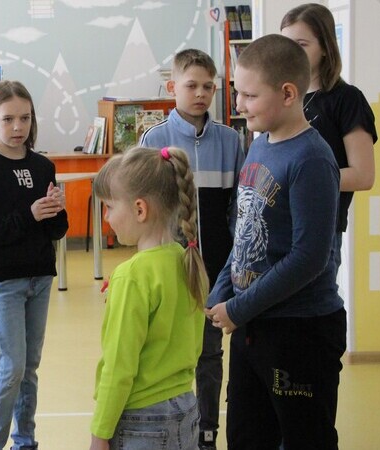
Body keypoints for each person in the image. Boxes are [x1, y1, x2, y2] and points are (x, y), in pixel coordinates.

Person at [205, 34, 344, 449]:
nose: (239, 105)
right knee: (247, 437)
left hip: (300, 331)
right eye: (238, 93)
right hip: (253, 325)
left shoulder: (311, 159)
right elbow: (244, 231)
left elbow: (309, 257)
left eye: (250, 95)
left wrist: (238, 308)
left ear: (287, 94)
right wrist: (221, 293)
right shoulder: (259, 143)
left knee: (305, 438)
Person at [140, 48, 245, 450]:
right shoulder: (155, 140)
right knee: (170, 351)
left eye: (208, 87)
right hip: (170, 269)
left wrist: (233, 264)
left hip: (217, 271)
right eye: (191, 85)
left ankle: (206, 432)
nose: (200, 94)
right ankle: (174, 429)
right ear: (173, 87)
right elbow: (146, 209)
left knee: (210, 354)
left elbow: (238, 208)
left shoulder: (231, 141)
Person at [0, 80, 69, 450]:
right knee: (12, 367)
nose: (17, 127)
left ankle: (26, 440)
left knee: (29, 367)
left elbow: (56, 230)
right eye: (8, 119)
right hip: (5, 280)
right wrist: (28, 215)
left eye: (25, 118)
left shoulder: (42, 166)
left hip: (40, 277)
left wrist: (56, 210)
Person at [89, 146, 208, 450]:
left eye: (109, 207)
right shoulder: (186, 261)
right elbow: (194, 346)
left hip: (142, 422)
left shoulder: (132, 276)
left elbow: (119, 367)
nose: (106, 217)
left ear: (140, 209)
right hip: (185, 408)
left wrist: (100, 432)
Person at [281, 3, 377, 266]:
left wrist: (300, 180)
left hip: (320, 229)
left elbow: (363, 175)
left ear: (325, 47)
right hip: (279, 224)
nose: (291, 54)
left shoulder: (347, 99)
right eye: (286, 45)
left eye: (301, 44)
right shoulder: (282, 96)